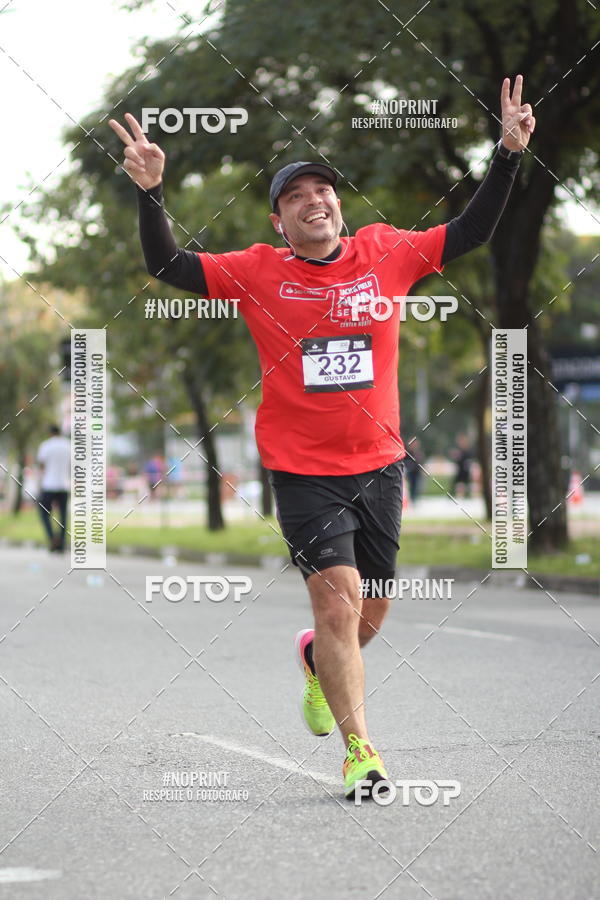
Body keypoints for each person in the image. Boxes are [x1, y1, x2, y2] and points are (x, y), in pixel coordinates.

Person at [110, 75, 535, 799]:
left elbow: (472, 231)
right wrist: (151, 194)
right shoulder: (256, 271)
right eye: (296, 196)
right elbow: (168, 266)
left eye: (323, 190)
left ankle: (316, 661)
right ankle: (361, 752)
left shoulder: (387, 251)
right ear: (279, 221)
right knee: (337, 604)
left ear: (339, 205)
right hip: (302, 469)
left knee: (369, 611)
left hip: (380, 464)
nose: (314, 200)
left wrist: (508, 152)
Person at [37, 425, 70, 553]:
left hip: (49, 484)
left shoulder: (46, 445)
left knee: (44, 513)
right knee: (63, 515)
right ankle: (61, 544)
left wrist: (38, 483)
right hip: (64, 484)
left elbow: (42, 466)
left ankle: (52, 538)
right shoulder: (68, 445)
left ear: (50, 433)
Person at [403, 437, 425, 505]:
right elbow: (406, 462)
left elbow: (420, 463)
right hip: (410, 472)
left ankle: (415, 499)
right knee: (410, 486)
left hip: (417, 472)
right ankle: (411, 499)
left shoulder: (418, 453)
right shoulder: (407, 453)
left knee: (416, 486)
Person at [451, 433, 474, 498]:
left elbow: (470, 461)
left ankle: (467, 495)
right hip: (460, 472)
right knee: (456, 485)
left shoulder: (468, 451)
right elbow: (457, 461)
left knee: (467, 486)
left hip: (466, 473)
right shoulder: (459, 451)